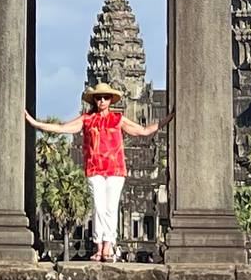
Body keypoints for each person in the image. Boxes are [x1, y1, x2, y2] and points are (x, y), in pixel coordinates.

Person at [23, 82, 173, 263]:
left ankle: (108, 244)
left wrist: (169, 118)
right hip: (95, 169)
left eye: (106, 97)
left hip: (116, 170)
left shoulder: (118, 119)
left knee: (111, 208)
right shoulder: (86, 119)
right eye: (98, 97)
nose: (102, 100)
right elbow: (62, 128)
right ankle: (99, 245)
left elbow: (143, 131)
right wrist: (34, 122)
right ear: (94, 99)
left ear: (110, 100)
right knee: (98, 207)